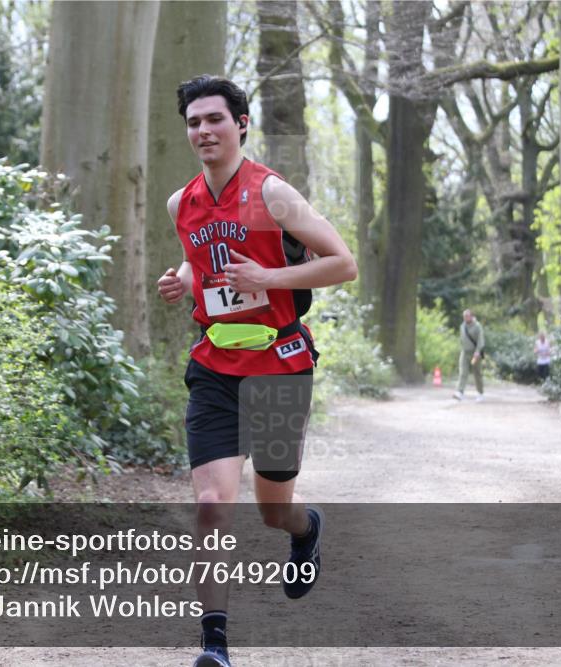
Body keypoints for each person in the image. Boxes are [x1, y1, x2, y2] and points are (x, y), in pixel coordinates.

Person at [156, 75, 357, 667]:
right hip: (215, 366)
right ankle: (214, 645)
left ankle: (305, 528)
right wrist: (182, 280)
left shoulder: (272, 193)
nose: (203, 131)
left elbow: (343, 263)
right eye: (194, 122)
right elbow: (200, 262)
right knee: (212, 503)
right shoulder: (181, 202)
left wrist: (269, 278)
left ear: (241, 124)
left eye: (214, 119)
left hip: (279, 364)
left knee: (273, 509)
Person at [453, 309, 485, 401]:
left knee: (477, 373)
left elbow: (480, 340)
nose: (465, 317)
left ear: (471, 316)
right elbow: (462, 339)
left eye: (467, 316)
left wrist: (478, 351)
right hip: (464, 352)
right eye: (464, 316)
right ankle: (460, 392)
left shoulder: (477, 326)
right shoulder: (462, 326)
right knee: (463, 372)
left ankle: (480, 393)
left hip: (475, 353)